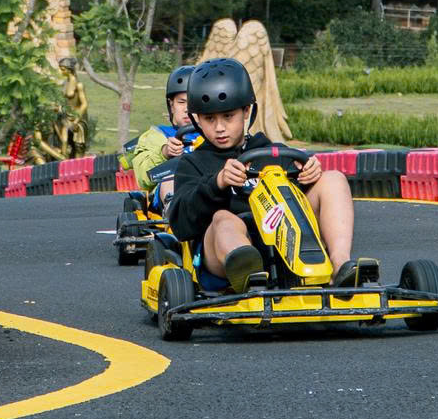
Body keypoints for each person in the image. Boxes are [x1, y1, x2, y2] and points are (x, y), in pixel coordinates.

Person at [164, 58, 361, 291]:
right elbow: (180, 225)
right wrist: (218, 183)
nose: (219, 128)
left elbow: (297, 198)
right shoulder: (193, 163)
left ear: (246, 111)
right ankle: (251, 276)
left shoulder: (272, 152)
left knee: (333, 179)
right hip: (222, 254)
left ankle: (339, 265)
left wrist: (310, 174)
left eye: (228, 116)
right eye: (210, 119)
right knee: (223, 219)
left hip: (280, 238)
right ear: (197, 119)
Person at [124, 65, 198, 199]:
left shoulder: (217, 133)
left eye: (193, 102)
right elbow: (143, 177)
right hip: (173, 194)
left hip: (209, 189)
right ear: (172, 105)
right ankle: (173, 205)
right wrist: (165, 153)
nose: (187, 109)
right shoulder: (157, 135)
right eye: (181, 102)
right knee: (170, 180)